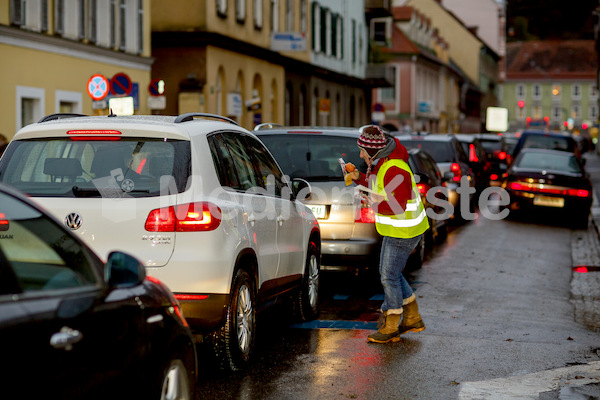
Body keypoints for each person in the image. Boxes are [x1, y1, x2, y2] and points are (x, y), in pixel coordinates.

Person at [345, 125, 430, 344]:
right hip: (397, 229)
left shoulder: (394, 168)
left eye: (363, 150)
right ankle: (412, 317)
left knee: (388, 275)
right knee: (391, 273)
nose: (361, 154)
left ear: (373, 150)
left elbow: (397, 205)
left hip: (403, 229)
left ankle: (392, 324)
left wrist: (370, 202)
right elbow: (378, 188)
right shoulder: (382, 163)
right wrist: (358, 177)